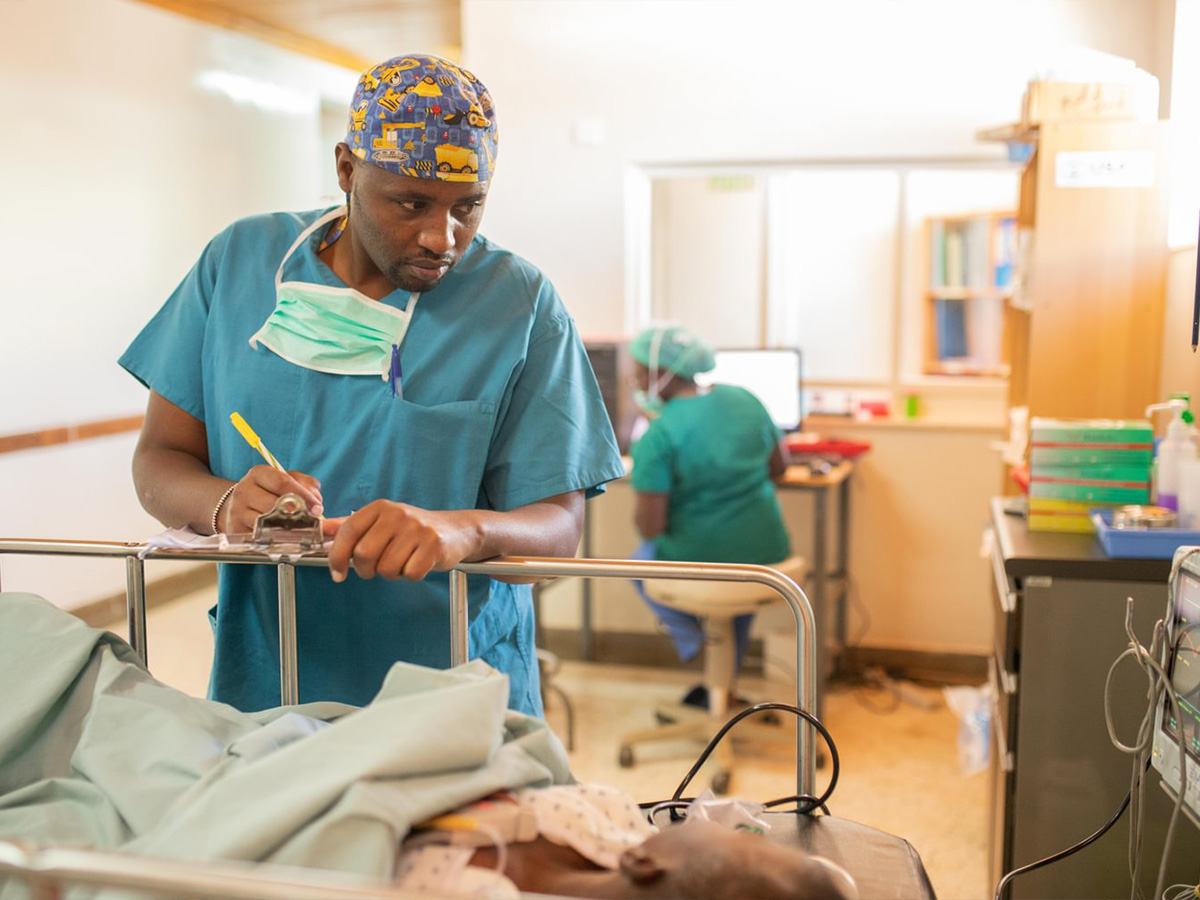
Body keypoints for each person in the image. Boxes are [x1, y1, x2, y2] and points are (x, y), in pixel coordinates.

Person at [118, 54, 624, 716]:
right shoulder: (237, 263)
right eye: (411, 204)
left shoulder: (517, 304)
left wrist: (465, 532)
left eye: (467, 208)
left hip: (454, 693)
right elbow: (160, 459)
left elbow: (559, 529)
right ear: (347, 170)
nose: (443, 237)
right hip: (272, 685)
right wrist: (225, 505)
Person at [0, 591, 856, 900]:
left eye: (719, 836)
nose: (729, 823)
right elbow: (501, 741)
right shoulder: (609, 824)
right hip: (293, 758)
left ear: (651, 869)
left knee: (97, 726)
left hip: (267, 816)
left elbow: (316, 841)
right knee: (47, 646)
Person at [628, 326, 791, 710]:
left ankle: (699, 643)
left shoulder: (659, 434)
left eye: (637, 372)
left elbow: (651, 527)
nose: (634, 381)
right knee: (733, 593)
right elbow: (781, 469)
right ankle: (724, 688)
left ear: (659, 373)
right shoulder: (745, 399)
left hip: (706, 560)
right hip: (768, 558)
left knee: (637, 563)